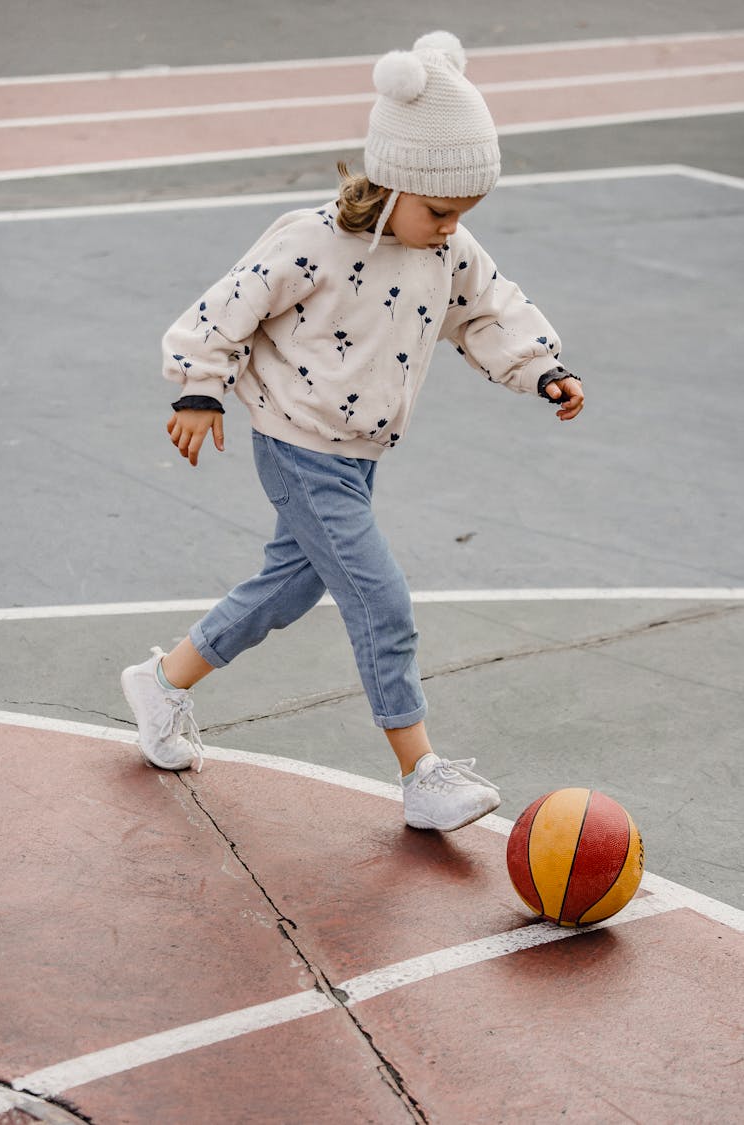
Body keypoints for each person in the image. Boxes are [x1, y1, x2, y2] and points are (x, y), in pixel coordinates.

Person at [121, 30, 584, 831]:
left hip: (360, 457)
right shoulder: (310, 242)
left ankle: (162, 681)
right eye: (440, 208)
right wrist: (201, 390)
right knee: (381, 598)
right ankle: (421, 772)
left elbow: (491, 311)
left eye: (463, 213)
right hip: (298, 448)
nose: (451, 226)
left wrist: (541, 367)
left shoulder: (446, 249)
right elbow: (227, 305)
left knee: (288, 587)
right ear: (396, 180)